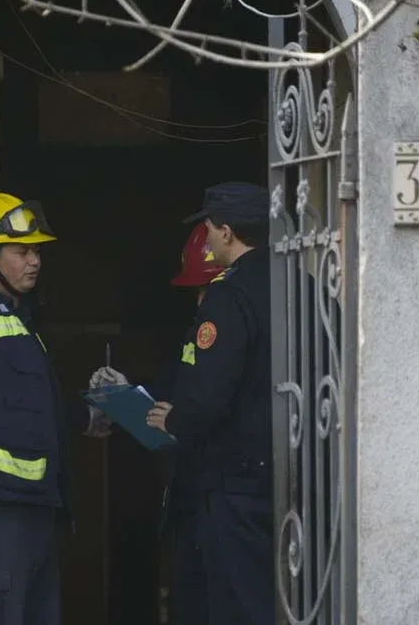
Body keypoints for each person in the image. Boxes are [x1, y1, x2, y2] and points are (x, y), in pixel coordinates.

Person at [0, 192, 110, 625]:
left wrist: (88, 418)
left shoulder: (22, 321)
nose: (34, 261)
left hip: (32, 508)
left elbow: (35, 404)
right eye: (21, 251)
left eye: (37, 251)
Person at [146, 181, 273, 625]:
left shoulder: (229, 294)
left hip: (234, 480)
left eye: (209, 227)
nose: (207, 236)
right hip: (292, 471)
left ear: (226, 232)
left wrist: (174, 420)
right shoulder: (298, 282)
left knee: (233, 601)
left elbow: (209, 391)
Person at [89, 221, 225, 625]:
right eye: (196, 291)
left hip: (226, 500)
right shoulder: (197, 337)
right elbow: (173, 387)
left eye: (207, 289)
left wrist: (176, 417)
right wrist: (128, 393)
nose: (200, 301)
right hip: (190, 498)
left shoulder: (239, 337)